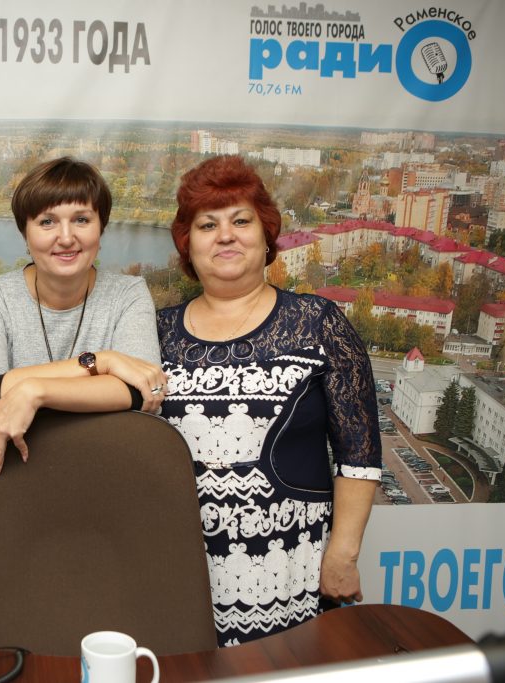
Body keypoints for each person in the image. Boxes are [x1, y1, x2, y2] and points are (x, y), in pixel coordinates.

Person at [157, 156, 381, 647]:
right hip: (176, 569)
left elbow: (359, 455)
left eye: (241, 221)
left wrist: (342, 555)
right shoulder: (157, 333)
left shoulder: (318, 324)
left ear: (266, 236)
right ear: (187, 244)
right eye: (207, 225)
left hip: (289, 567)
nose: (225, 236)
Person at [0, 157, 166, 478]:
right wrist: (103, 362)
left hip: (111, 473)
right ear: (25, 234)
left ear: (101, 228)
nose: (66, 238)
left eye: (81, 219)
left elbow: (142, 392)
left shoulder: (129, 294)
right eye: (47, 222)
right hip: (14, 476)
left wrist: (33, 391)